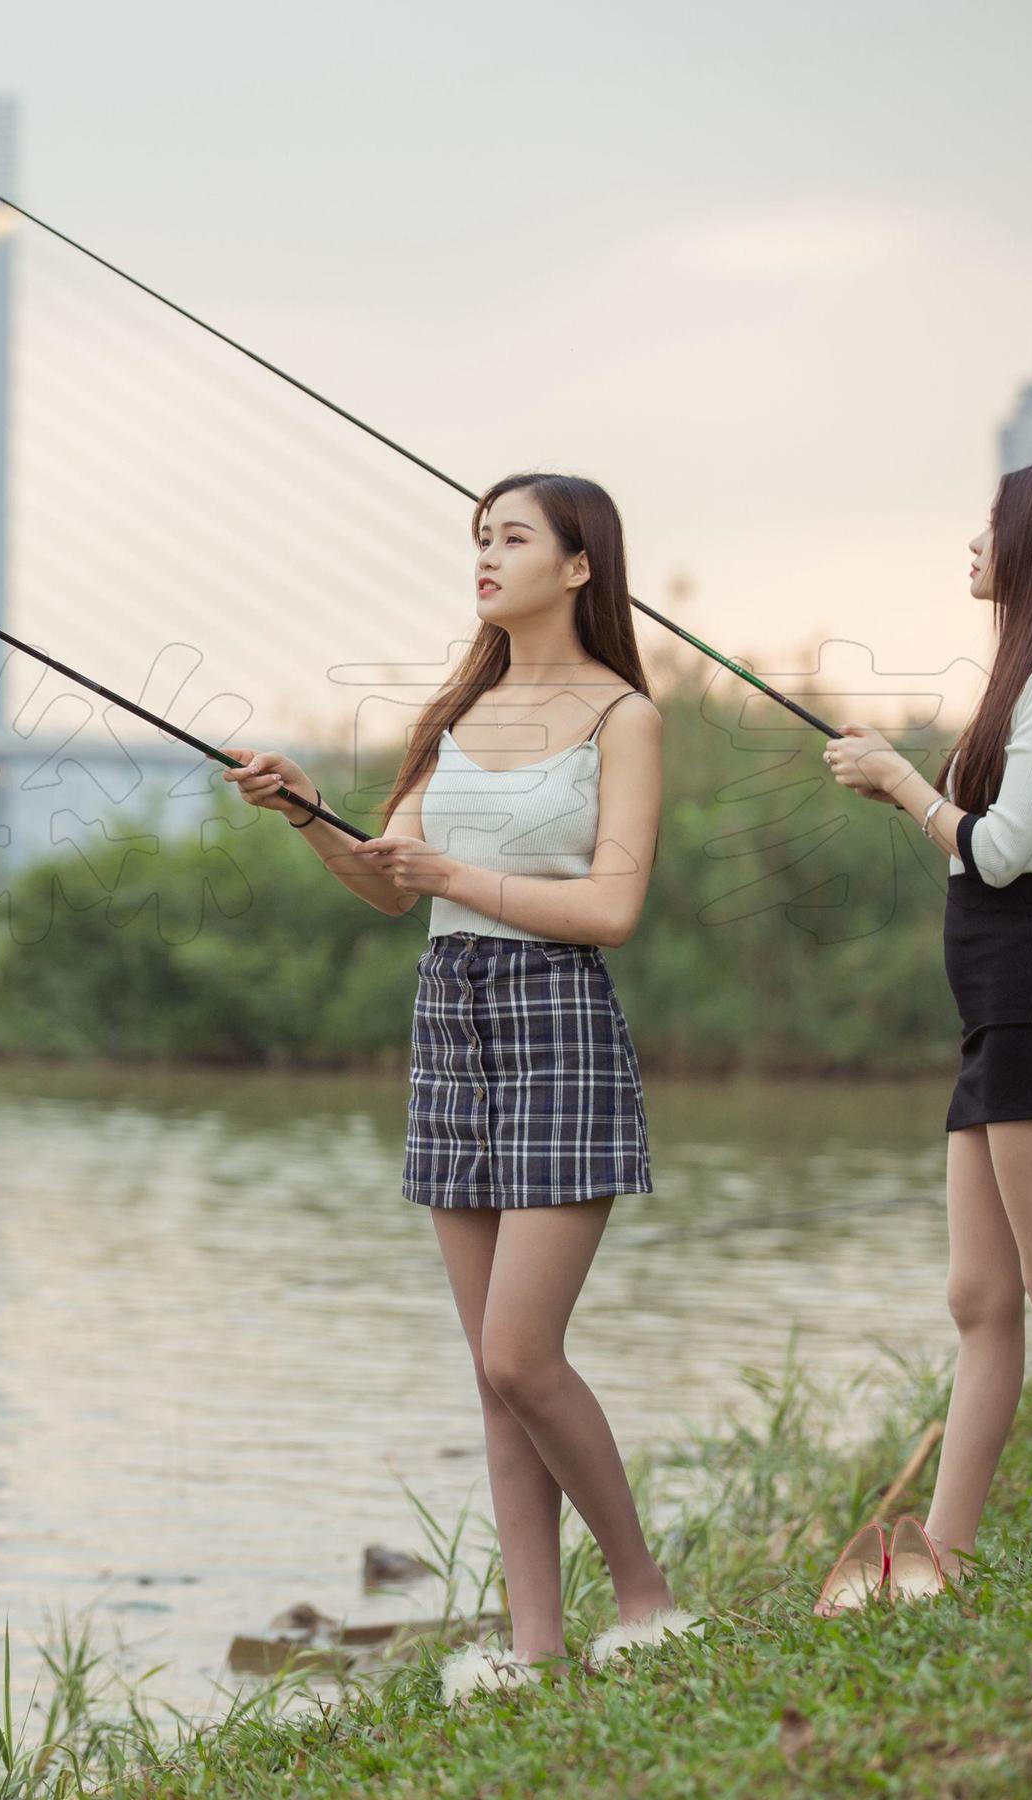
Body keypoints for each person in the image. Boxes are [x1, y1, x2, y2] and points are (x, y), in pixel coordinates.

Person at [219, 471, 698, 1698]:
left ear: (581, 564)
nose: (485, 556)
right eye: (478, 538)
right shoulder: (459, 709)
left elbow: (613, 907)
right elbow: (391, 884)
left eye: (513, 537)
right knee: (489, 1373)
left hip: (555, 1023)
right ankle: (535, 1650)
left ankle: (644, 1599)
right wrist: (307, 813)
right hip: (450, 1023)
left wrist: (452, 876)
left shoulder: (621, 718)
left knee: (523, 1354)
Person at [817, 460, 1032, 1610]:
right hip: (996, 1010)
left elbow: (995, 853)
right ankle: (942, 1555)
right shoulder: (1031, 675)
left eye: (989, 528)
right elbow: (980, 831)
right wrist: (900, 782)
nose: (973, 545)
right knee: (978, 1295)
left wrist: (903, 783)